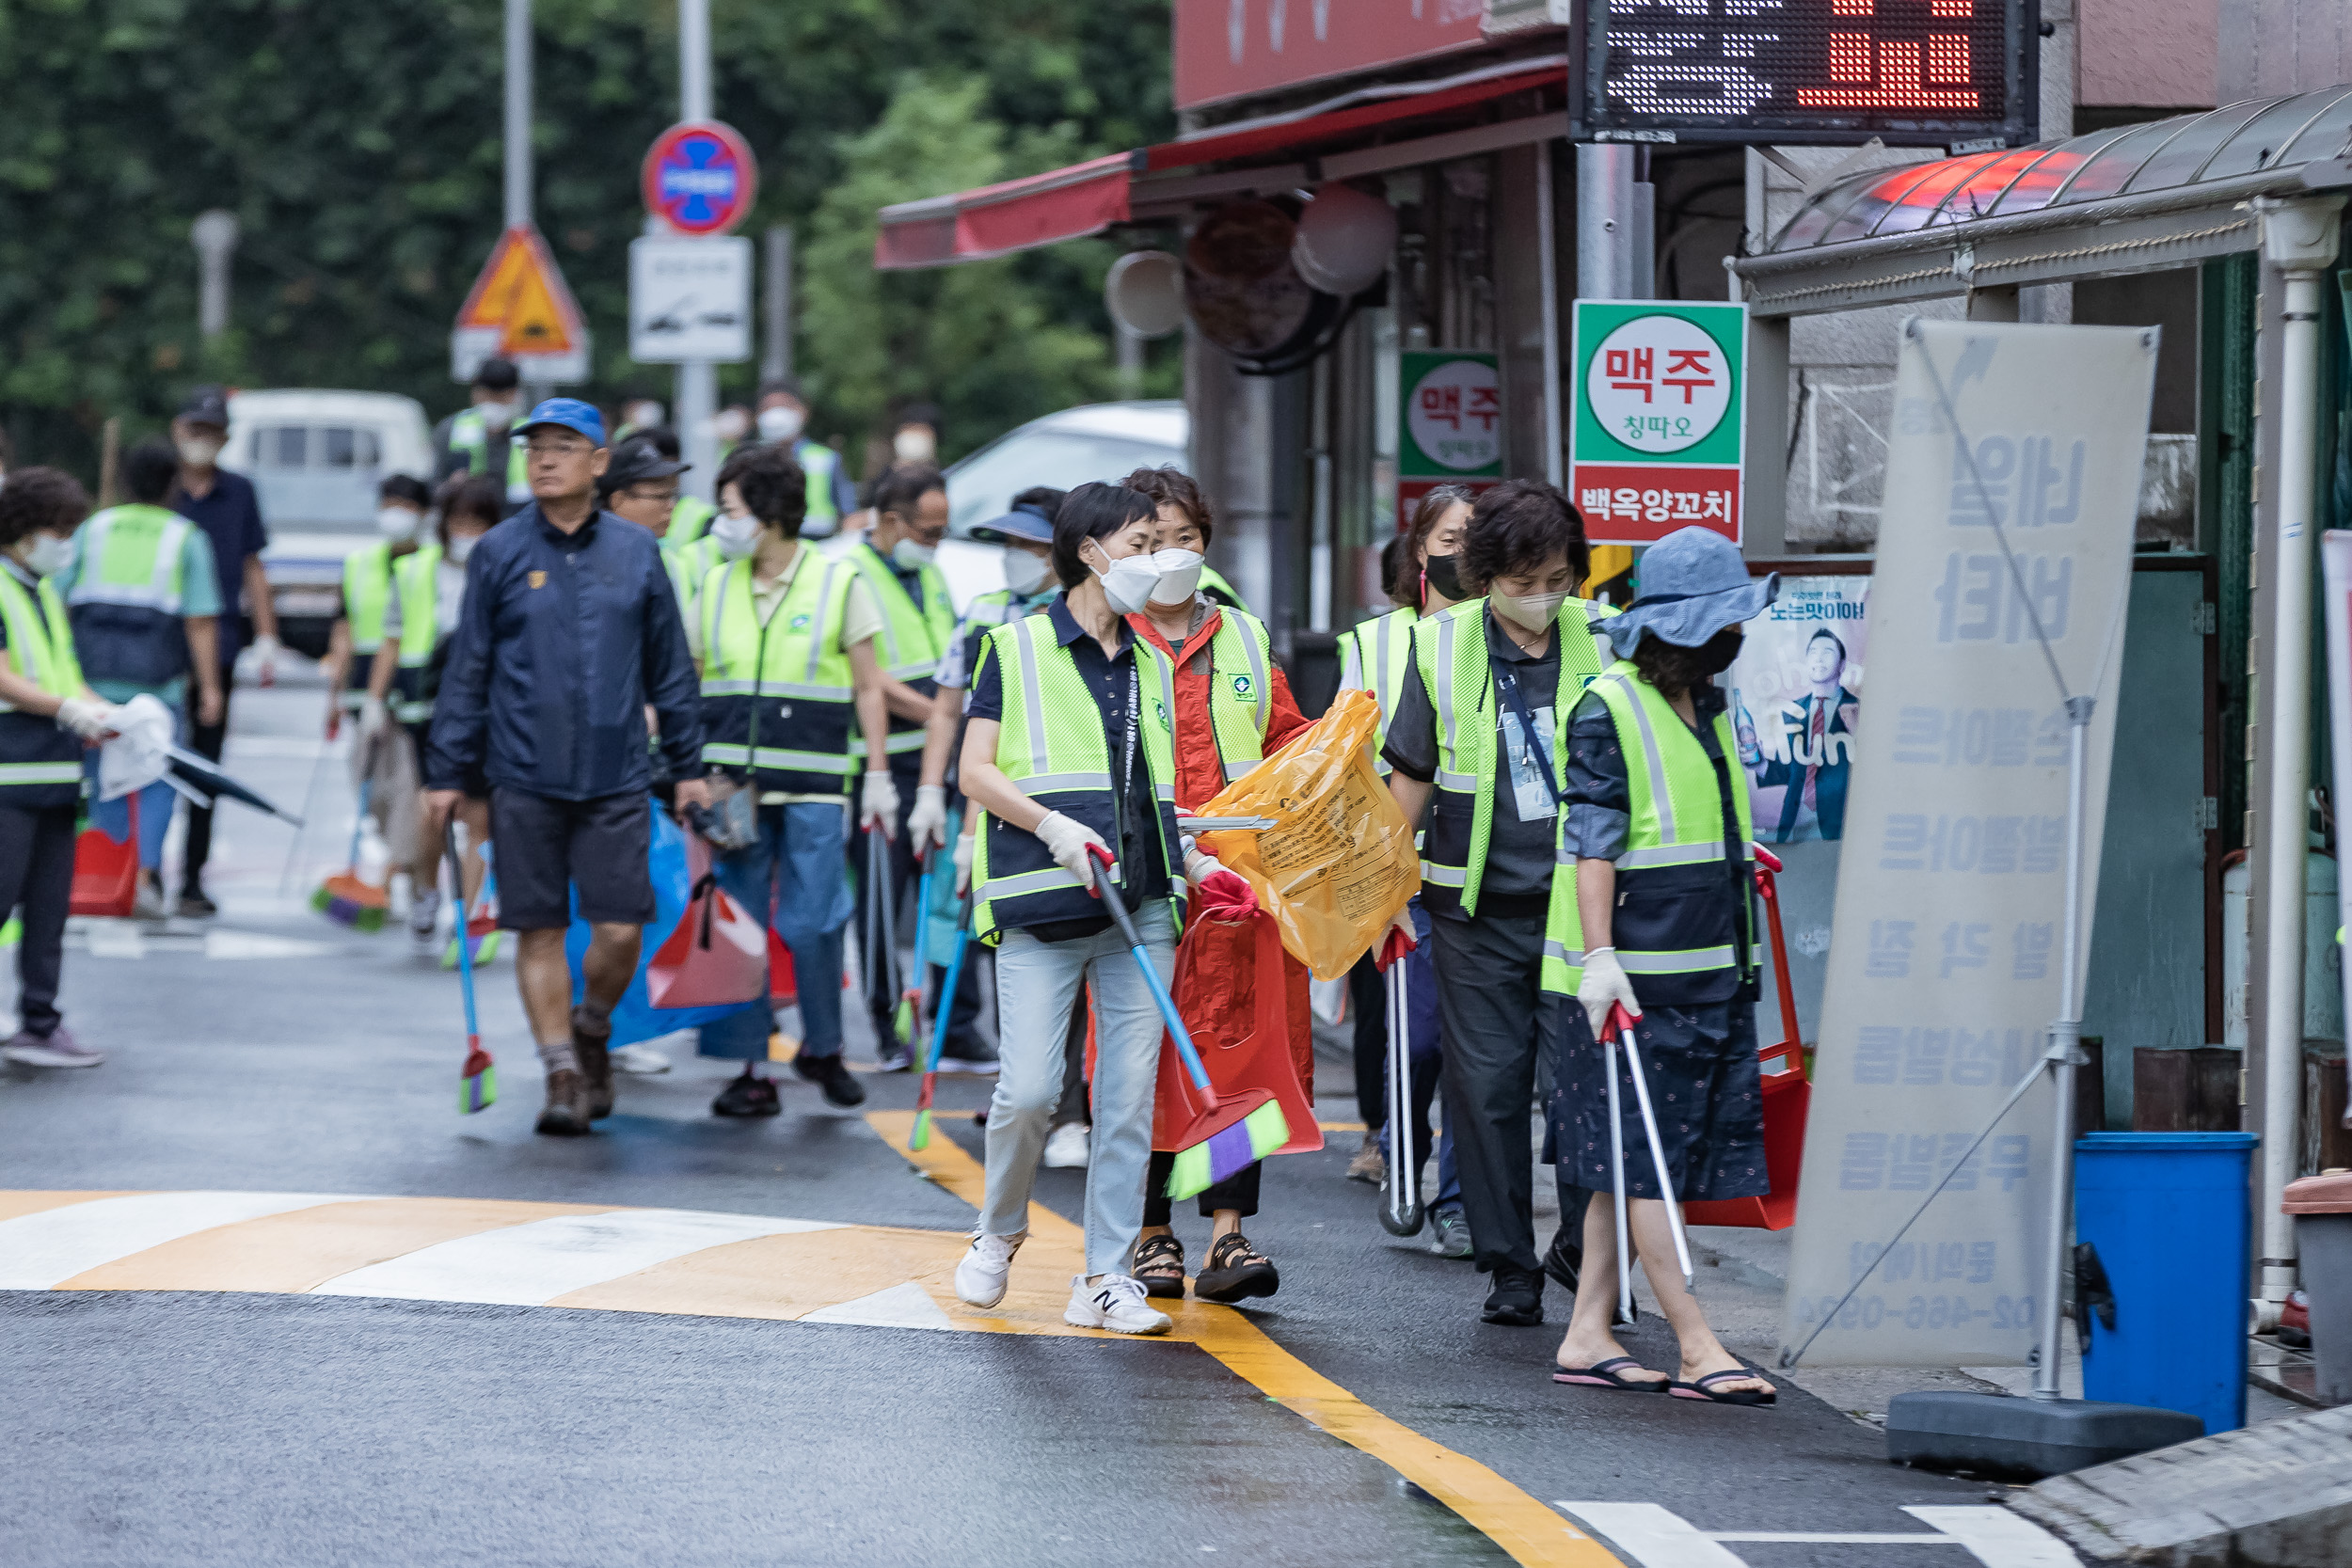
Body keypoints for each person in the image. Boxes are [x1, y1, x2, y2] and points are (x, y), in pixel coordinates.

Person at [422, 400, 709, 1137]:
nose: (545, 459)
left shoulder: (638, 553)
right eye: (534, 448)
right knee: (539, 929)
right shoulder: (498, 552)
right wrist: (446, 770)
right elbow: (468, 669)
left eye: (563, 446)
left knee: (619, 934)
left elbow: (670, 669)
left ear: (599, 462)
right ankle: (559, 1070)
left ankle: (591, 1025)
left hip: (616, 775)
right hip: (523, 772)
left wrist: (688, 765)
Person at [1548, 525, 1777, 1406]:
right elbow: (1594, 842)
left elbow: (1681, 814)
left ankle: (1586, 1331)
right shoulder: (1611, 704)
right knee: (1646, 1162)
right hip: (1634, 980)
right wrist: (1601, 955)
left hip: (1707, 970)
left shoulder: (1705, 702)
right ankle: (1696, 1341)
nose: (1735, 637)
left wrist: (1736, 855)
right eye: (1721, 625)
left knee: (1630, 1158)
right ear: (1675, 631)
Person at [950, 482, 1186, 1337]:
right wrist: (1050, 825)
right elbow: (975, 769)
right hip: (1043, 904)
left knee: (1124, 1101)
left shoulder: (1154, 657)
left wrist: (1188, 850)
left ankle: (1105, 1274)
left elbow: (1155, 782)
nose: (1154, 562)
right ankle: (998, 1230)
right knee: (1028, 1092)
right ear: (1089, 551)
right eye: (1139, 545)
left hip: (1143, 910)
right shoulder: (1011, 648)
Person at [1382, 481, 1616, 1327]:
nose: (1542, 596)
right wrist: (1383, 894)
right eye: (1523, 580)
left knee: (1585, 1087)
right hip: (1471, 909)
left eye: (1556, 577)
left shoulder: (1603, 642)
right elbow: (1410, 776)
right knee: (1486, 1090)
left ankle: (1582, 1251)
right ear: (1484, 576)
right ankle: (1509, 1266)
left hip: (1580, 908)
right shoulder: (1441, 646)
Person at [1117, 464, 1313, 1305]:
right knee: (1148, 1055)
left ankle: (1229, 1233)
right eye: (1150, 540)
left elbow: (1288, 739)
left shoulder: (1244, 637)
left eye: (1185, 538)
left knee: (1246, 1058)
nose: (1171, 554)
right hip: (1150, 883)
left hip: (1241, 892)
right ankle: (1152, 1229)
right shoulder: (1106, 640)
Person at [687, 442, 890, 1115]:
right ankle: (749, 1067)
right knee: (738, 919)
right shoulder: (713, 584)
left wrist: (880, 772)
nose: (722, 523)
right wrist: (683, 769)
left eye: (731, 508)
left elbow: (868, 687)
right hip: (730, 785)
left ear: (769, 513)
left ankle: (823, 1046)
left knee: (814, 920)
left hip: (814, 782)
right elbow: (687, 679)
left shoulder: (837, 583)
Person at [1340, 493, 1470, 1258]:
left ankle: (1455, 1198)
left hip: (1479, 867)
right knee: (1414, 1041)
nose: (1464, 552)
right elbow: (1346, 753)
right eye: (1450, 538)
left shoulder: (1506, 633)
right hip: (1397, 862)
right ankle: (1399, 1149)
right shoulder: (1374, 642)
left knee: (1468, 1050)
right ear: (1420, 551)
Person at [911, 487, 1071, 1079]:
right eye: (1008, 544)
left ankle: (1025, 1069)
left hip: (1037, 797)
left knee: (1019, 926)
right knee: (952, 915)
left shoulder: (1073, 616)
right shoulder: (981, 609)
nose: (1014, 556)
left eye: (1027, 545)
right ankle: (956, 1032)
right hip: (972, 790)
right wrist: (931, 792)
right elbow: (947, 710)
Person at [56, 440, 224, 920]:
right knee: (154, 781)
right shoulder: (185, 537)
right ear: (174, 483)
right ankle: (143, 879)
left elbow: (56, 601)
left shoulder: (92, 530)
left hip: (91, 684)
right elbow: (200, 621)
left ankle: (99, 875)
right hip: (159, 686)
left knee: (96, 781)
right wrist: (210, 688)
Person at [0, 468, 119, 1068]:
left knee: (49, 912)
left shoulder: (42, 592)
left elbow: (59, 673)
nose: (65, 544)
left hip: (52, 773)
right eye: (59, 530)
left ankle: (41, 1024)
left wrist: (110, 713)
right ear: (23, 532)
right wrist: (69, 708)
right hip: (7, 773)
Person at [845, 462, 957, 1069]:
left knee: (939, 894)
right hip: (881, 760)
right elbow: (869, 675)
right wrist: (935, 713)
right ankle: (888, 1022)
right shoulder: (849, 573)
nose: (935, 542)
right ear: (892, 521)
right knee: (883, 899)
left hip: (937, 760)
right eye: (928, 529)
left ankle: (941, 1021)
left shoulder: (930, 574)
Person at [373, 474, 502, 946]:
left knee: (481, 819)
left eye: (479, 523)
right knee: (435, 812)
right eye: (460, 521)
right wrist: (374, 701)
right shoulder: (415, 572)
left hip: (492, 709)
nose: (468, 532)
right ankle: (426, 890)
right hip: (429, 709)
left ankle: (469, 919)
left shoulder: (506, 570)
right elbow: (390, 640)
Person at [164, 387, 277, 918]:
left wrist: (269, 636)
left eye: (212, 433)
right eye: (194, 430)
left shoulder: (241, 493)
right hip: (157, 648)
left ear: (226, 439)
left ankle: (191, 878)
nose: (202, 441)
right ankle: (135, 873)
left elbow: (254, 567)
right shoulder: (159, 490)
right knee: (146, 764)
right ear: (177, 430)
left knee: (204, 770)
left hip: (221, 645)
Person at [324, 474, 431, 886]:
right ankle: (404, 855)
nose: (395, 512)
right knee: (366, 778)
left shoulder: (431, 563)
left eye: (405, 504)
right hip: (362, 680)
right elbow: (344, 627)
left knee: (406, 780)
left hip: (412, 681)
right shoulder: (360, 563)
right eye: (389, 502)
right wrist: (334, 695)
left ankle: (393, 871)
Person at [1742, 626, 1855, 843]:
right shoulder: (1792, 710)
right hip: (1794, 823)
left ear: (1842, 665)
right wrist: (1759, 764)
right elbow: (1793, 770)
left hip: (1843, 827)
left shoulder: (1858, 709)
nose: (1819, 659)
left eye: (1827, 653)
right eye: (1812, 653)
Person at [597, 437, 697, 613]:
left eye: (672, 496)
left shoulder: (671, 564)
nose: (671, 506)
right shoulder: (584, 560)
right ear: (618, 500)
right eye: (661, 497)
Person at [754, 378, 858, 539]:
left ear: (803, 411)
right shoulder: (747, 460)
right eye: (769, 407)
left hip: (819, 545)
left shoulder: (826, 458)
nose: (777, 413)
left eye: (785, 406)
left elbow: (849, 513)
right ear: (757, 415)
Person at [437, 357, 529, 508]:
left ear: (516, 396)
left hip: (518, 519)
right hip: (468, 520)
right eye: (487, 396)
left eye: (502, 397)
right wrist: (451, 488)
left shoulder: (530, 432)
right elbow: (435, 484)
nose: (493, 403)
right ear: (474, 393)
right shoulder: (451, 429)